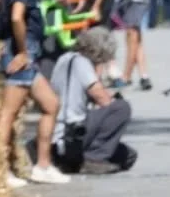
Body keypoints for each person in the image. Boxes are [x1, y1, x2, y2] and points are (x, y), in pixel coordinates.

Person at [0, 0, 67, 188]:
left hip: (27, 53)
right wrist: (23, 51)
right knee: (9, 114)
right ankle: (1, 171)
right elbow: (16, 16)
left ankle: (42, 166)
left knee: (51, 104)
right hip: (22, 54)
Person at [51, 26, 136, 175]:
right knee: (121, 108)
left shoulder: (63, 59)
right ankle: (93, 159)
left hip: (56, 133)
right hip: (71, 133)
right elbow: (102, 99)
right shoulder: (82, 62)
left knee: (127, 154)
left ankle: (73, 162)